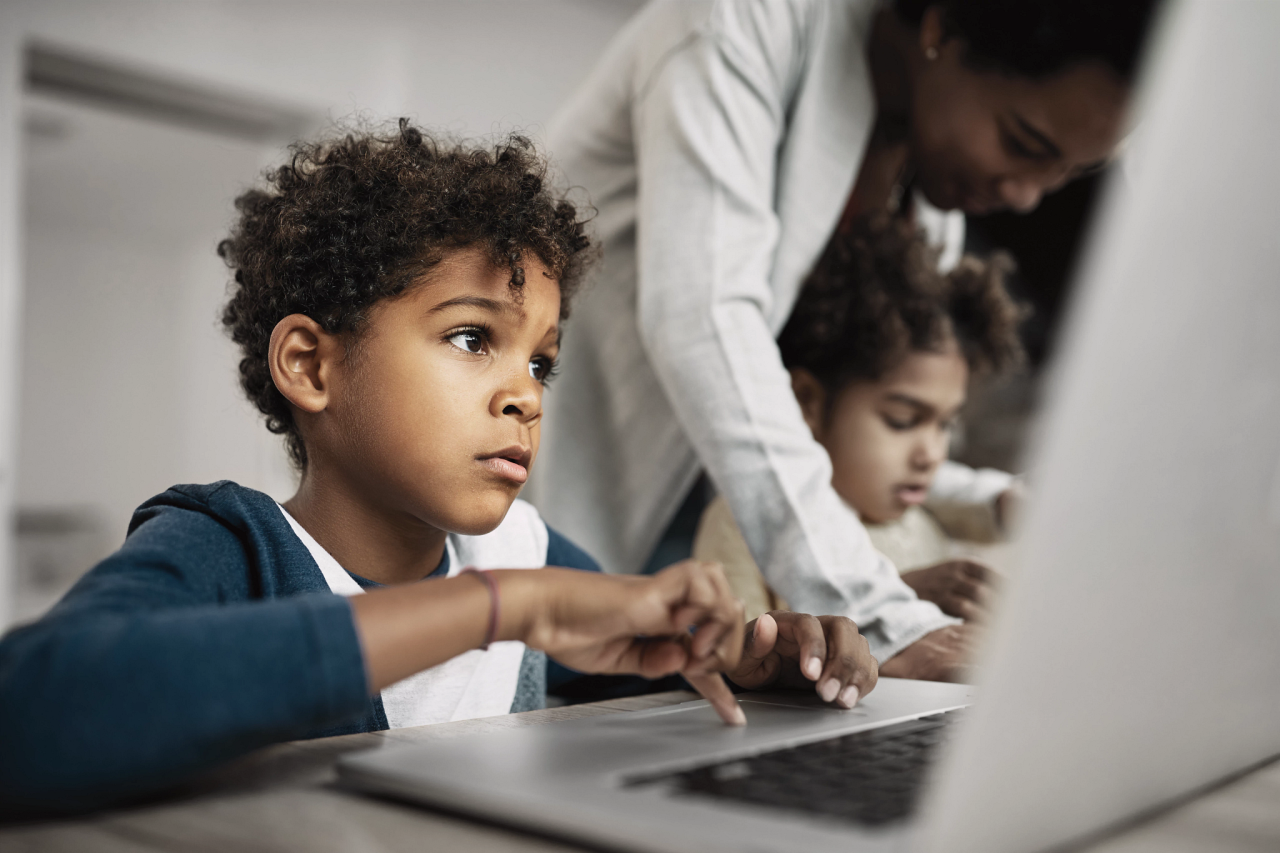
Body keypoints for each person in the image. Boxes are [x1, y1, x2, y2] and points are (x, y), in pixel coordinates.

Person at [0, 123, 878, 817]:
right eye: (471, 337)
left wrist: (758, 659)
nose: (525, 397)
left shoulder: (522, 553)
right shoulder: (232, 546)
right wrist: (501, 609)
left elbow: (646, 665)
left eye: (541, 362)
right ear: (310, 364)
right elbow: (31, 714)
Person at [530, 0, 1159, 679]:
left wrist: (988, 503)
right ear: (940, 27)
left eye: (1067, 172)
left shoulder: (925, 174)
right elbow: (705, 323)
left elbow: (848, 438)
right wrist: (884, 614)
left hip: (705, 596)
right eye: (1024, 144)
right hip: (580, 533)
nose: (1029, 195)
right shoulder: (739, 23)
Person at [694, 216, 1025, 626]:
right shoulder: (741, 523)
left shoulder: (922, 515)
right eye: (902, 421)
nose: (931, 455)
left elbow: (986, 502)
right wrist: (897, 603)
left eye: (945, 426)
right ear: (807, 402)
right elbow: (732, 662)